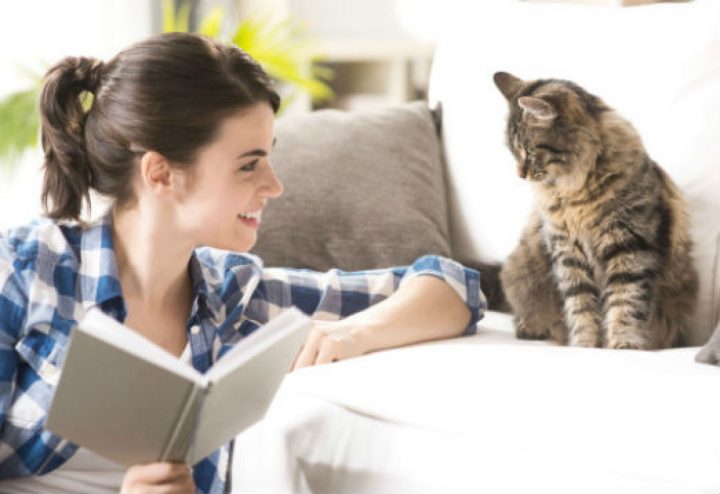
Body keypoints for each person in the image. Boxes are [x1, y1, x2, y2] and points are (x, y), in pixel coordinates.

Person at [0, 33, 483, 494]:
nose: (275, 186)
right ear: (161, 173)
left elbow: (454, 288)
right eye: (249, 164)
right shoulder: (26, 274)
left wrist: (352, 334)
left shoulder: (232, 293)